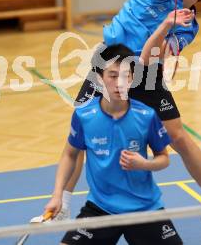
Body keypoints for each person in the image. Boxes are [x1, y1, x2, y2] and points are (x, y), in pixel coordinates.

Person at [40, 0, 201, 239]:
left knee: (178, 136)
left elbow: (149, 58)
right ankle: (63, 206)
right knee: (82, 131)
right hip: (109, 63)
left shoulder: (187, 25)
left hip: (144, 71)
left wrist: (168, 26)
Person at [44, 44, 183, 245]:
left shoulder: (146, 115)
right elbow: (69, 155)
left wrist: (144, 164)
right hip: (101, 209)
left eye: (127, 76)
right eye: (113, 75)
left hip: (144, 208)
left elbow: (164, 159)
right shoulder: (84, 116)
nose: (120, 83)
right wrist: (58, 196)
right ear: (99, 79)